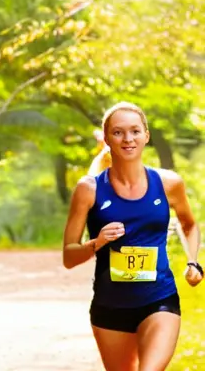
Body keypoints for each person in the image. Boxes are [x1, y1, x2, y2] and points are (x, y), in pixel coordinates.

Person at [62, 102, 202, 370]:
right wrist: (97, 242)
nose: (128, 139)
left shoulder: (169, 183)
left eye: (135, 131)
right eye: (118, 132)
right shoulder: (88, 190)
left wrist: (193, 261)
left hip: (160, 299)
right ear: (106, 139)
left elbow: (189, 225)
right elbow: (69, 256)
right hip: (110, 306)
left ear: (146, 136)